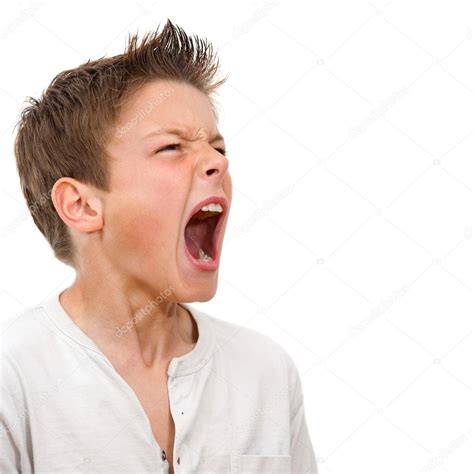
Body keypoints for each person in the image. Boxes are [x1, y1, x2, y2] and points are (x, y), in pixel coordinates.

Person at [1, 19, 318, 473]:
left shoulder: (264, 372)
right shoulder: (14, 378)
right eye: (172, 148)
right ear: (82, 205)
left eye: (218, 147)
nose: (216, 163)